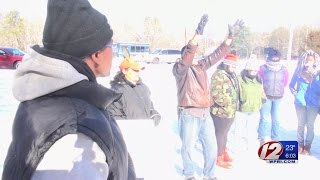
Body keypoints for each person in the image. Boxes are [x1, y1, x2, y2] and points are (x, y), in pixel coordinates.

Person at [1, 0, 136, 179]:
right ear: (96, 54)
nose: (114, 52)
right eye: (111, 45)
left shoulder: (54, 97)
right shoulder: (75, 126)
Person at [172, 14, 244, 180]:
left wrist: (230, 37)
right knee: (188, 147)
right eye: (192, 54)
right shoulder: (180, 69)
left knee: (211, 147)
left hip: (205, 113)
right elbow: (189, 53)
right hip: (189, 113)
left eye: (197, 55)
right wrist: (198, 33)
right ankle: (189, 174)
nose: (196, 57)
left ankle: (209, 175)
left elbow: (218, 54)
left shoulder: (201, 66)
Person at [107, 54, 161, 126]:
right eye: (134, 70)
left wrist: (155, 115)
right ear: (124, 71)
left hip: (147, 131)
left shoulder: (143, 87)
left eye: (139, 70)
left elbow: (150, 108)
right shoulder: (116, 91)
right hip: (130, 133)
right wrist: (133, 126)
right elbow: (114, 118)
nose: (138, 73)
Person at [210, 54, 241, 169]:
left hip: (230, 111)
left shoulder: (231, 74)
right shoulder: (218, 75)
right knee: (219, 134)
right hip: (220, 112)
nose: (234, 68)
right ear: (226, 64)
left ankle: (223, 151)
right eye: (232, 65)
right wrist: (228, 103)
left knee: (225, 134)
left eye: (235, 66)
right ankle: (218, 157)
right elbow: (216, 94)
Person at [290, 49, 320, 155]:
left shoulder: (318, 73)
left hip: (314, 104)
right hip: (300, 103)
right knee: (301, 124)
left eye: (311, 60)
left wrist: (315, 76)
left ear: (315, 61)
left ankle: (308, 146)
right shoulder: (299, 71)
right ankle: (300, 144)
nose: (309, 62)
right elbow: (291, 85)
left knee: (310, 125)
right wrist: (296, 95)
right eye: (307, 60)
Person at [257, 48, 289, 145]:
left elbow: (285, 82)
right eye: (273, 58)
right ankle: (262, 137)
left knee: (276, 119)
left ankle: (275, 138)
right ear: (269, 58)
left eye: (276, 58)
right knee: (264, 118)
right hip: (266, 97)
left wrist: (279, 90)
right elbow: (258, 81)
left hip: (278, 97)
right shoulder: (263, 68)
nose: (275, 59)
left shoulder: (284, 69)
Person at [234, 60, 265, 153]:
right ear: (247, 70)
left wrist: (263, 99)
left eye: (256, 71)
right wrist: (238, 102)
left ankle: (251, 146)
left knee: (251, 130)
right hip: (242, 110)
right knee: (239, 129)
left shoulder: (259, 79)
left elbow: (261, 91)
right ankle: (237, 147)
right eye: (252, 70)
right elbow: (235, 92)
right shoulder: (239, 79)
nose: (254, 72)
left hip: (255, 109)